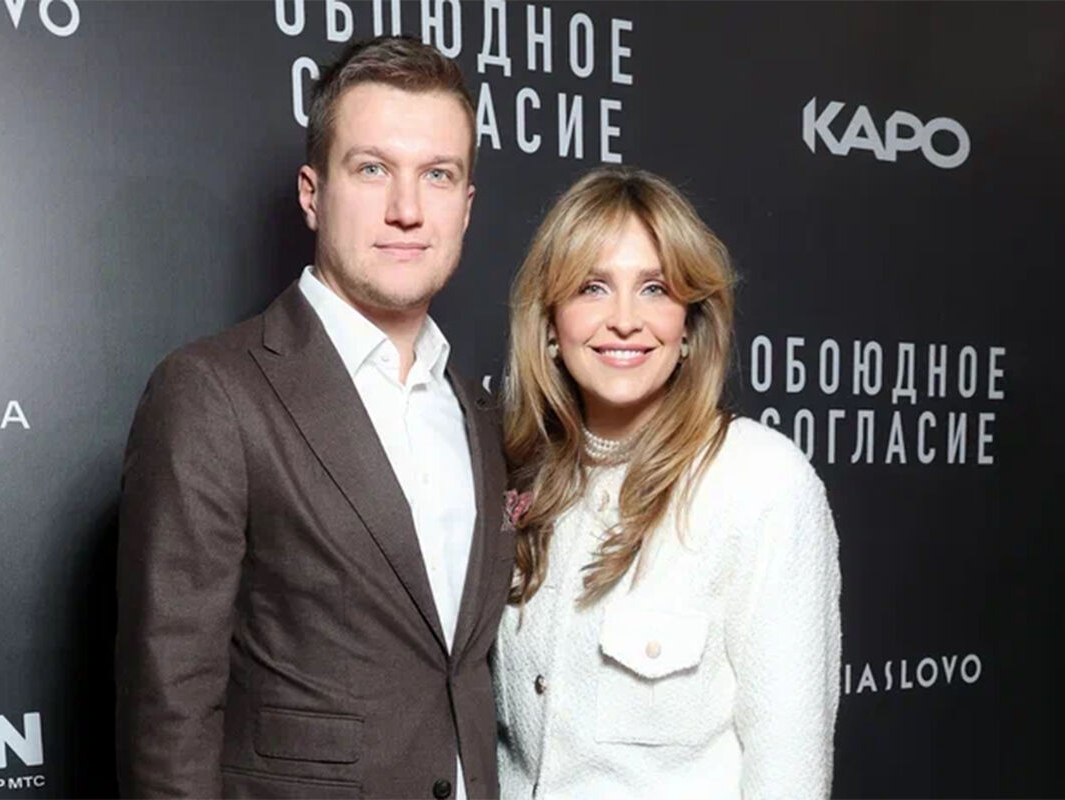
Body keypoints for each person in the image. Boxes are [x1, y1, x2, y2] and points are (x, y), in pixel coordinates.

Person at [115, 36, 512, 799]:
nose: (406, 210)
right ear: (312, 193)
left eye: (437, 175)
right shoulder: (212, 392)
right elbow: (169, 705)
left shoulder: (479, 412)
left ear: (465, 207)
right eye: (372, 169)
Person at [493, 166, 841, 798]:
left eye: (654, 288)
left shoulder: (760, 481)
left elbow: (789, 769)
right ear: (550, 324)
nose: (625, 320)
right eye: (593, 287)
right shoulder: (516, 474)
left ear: (689, 326)